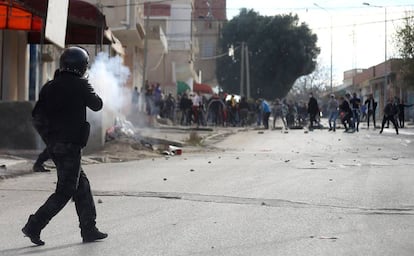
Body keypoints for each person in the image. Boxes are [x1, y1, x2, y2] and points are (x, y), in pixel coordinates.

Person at [22, 46, 107, 246]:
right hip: (70, 146)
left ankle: (89, 229)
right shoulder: (81, 84)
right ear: (82, 66)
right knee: (66, 190)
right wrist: (90, 86)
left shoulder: (50, 86)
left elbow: (37, 117)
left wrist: (49, 140)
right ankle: (34, 225)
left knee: (82, 186)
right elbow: (97, 104)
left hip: (55, 146)